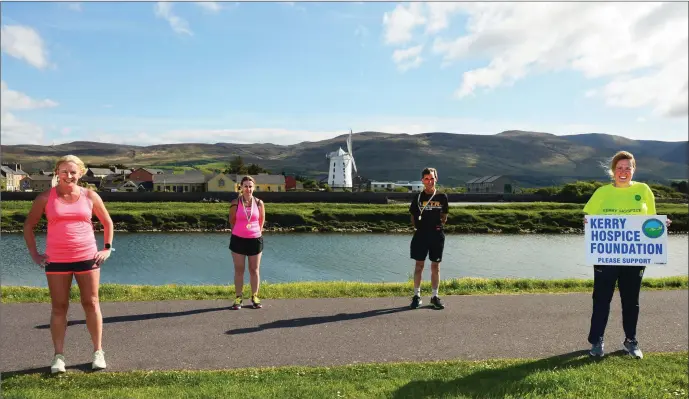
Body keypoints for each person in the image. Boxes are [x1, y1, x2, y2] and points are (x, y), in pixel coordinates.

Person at [23, 155, 114, 373]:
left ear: (80, 173)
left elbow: (107, 222)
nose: (68, 176)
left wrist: (107, 248)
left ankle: (98, 352)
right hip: (57, 260)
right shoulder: (45, 198)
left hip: (87, 257)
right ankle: (58, 357)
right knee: (59, 307)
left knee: (91, 303)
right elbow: (28, 226)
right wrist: (35, 255)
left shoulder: (90, 196)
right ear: (57, 172)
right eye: (64, 171)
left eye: (73, 172)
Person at [583, 150, 671, 359]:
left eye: (627, 168)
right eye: (619, 168)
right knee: (601, 299)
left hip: (635, 257)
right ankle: (597, 341)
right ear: (613, 170)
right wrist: (587, 223)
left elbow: (650, 218)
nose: (623, 172)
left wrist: (661, 226)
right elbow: (589, 217)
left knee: (631, 300)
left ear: (633, 170)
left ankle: (630, 341)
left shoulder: (644, 189)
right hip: (606, 257)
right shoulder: (602, 192)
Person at [408, 167, 449, 310]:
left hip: (436, 236)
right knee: (419, 266)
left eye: (432, 178)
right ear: (422, 180)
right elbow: (413, 216)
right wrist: (419, 228)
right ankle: (417, 296)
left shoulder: (442, 197)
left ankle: (434, 297)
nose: (429, 181)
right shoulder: (418, 197)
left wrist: (437, 226)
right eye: (426, 178)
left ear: (436, 179)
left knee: (435, 266)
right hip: (421, 236)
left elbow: (444, 216)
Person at [228, 176, 265, 310]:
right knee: (239, 270)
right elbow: (232, 220)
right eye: (245, 186)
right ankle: (238, 298)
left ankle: (254, 296)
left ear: (253, 188)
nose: (248, 189)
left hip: (255, 240)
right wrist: (239, 232)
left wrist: (256, 233)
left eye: (250, 186)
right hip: (238, 240)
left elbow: (261, 221)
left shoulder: (259, 203)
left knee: (254, 270)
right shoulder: (235, 203)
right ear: (241, 187)